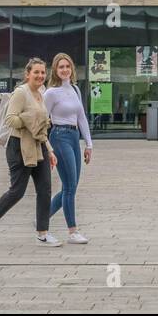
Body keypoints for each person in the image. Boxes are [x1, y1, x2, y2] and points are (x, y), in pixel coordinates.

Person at [0, 58, 59, 247]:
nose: (41, 76)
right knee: (17, 191)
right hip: (19, 146)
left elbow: (41, 127)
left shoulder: (41, 93)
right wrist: (29, 119)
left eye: (43, 72)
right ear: (27, 74)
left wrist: (50, 150)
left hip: (38, 146)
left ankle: (43, 233)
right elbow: (10, 120)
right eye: (36, 72)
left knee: (45, 189)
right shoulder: (21, 93)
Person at [40, 53, 94, 245]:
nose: (64, 70)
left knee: (70, 187)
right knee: (70, 187)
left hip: (74, 137)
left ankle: (41, 219)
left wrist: (89, 144)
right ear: (55, 70)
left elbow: (81, 118)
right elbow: (42, 121)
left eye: (67, 66)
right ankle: (73, 232)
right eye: (60, 67)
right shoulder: (51, 93)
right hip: (59, 136)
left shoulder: (75, 89)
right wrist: (47, 148)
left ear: (72, 69)